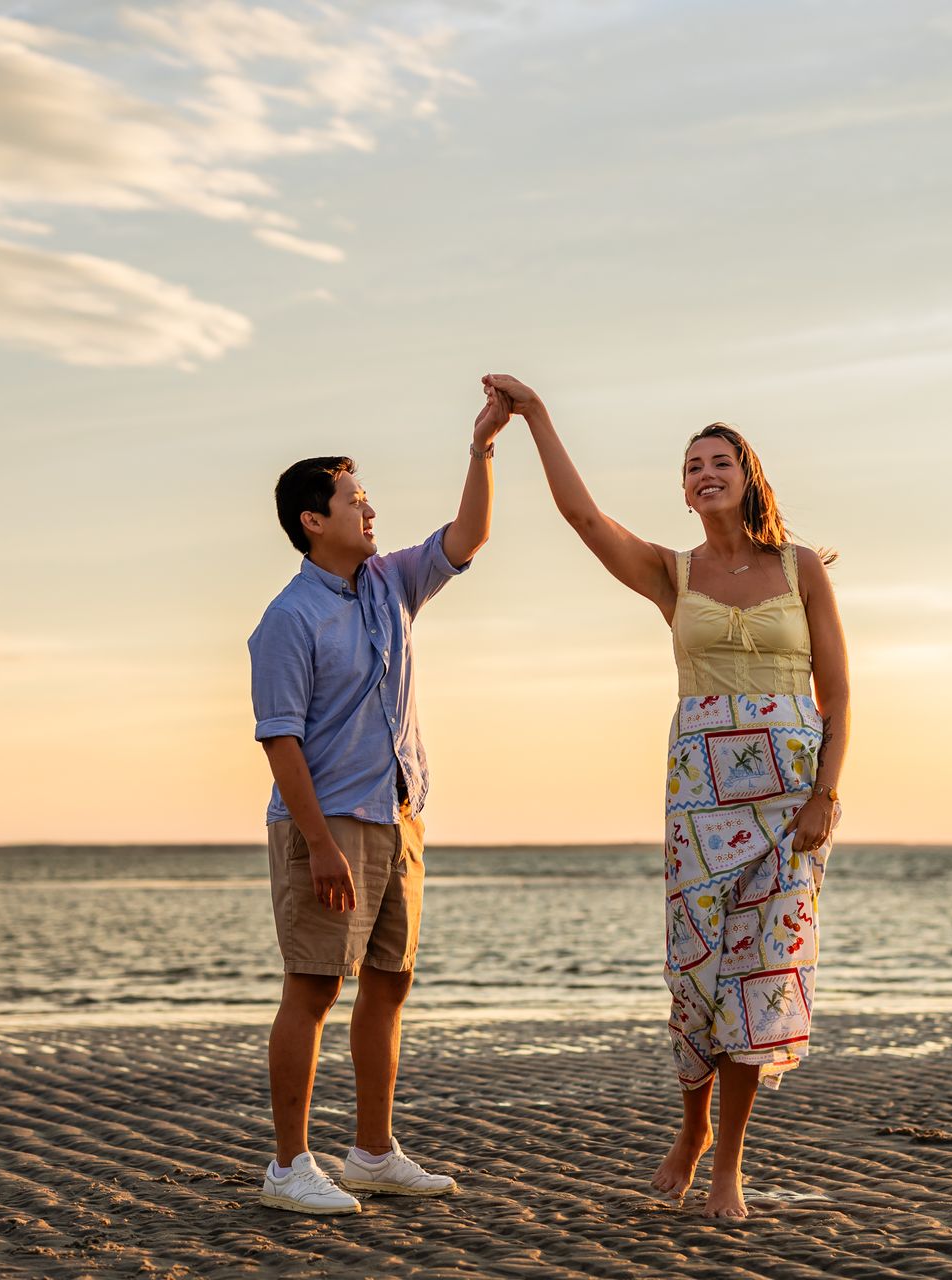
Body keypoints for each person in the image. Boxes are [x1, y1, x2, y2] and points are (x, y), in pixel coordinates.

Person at [484, 373, 850, 1220]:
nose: (704, 473)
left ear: (747, 476)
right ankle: (692, 1130)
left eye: (719, 461)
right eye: (692, 466)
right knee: (698, 975)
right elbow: (585, 519)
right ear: (684, 492)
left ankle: (731, 1163)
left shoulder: (801, 569)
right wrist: (537, 416)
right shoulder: (671, 574)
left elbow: (839, 691)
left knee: (760, 977)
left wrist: (827, 794)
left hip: (790, 802)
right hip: (700, 801)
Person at [247, 387, 510, 1214]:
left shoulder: (391, 582)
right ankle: (289, 1166)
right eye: (354, 502)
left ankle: (371, 1152)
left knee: (389, 985)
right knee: (314, 989)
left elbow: (470, 537)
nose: (370, 511)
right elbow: (279, 739)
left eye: (367, 499)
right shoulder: (288, 618)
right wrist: (321, 844)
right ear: (311, 522)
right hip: (325, 827)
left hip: (401, 819)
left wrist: (483, 448)